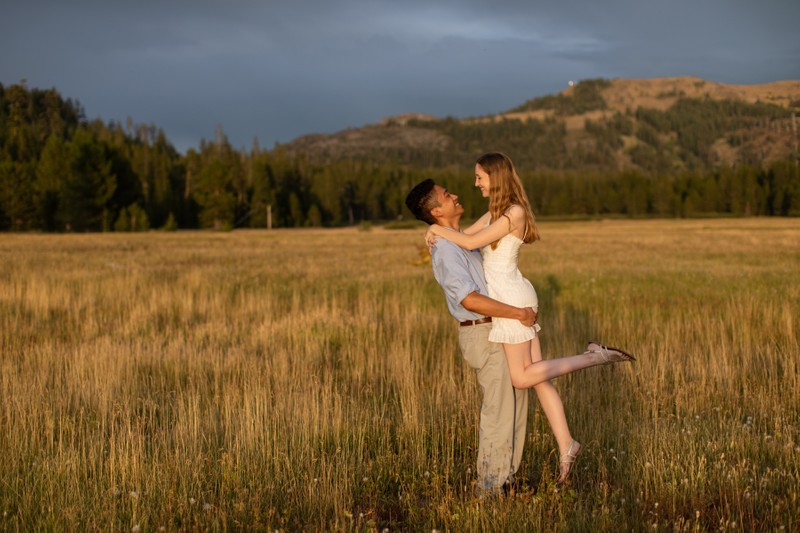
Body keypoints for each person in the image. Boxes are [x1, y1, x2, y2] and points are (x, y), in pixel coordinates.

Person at [418, 153, 635, 485]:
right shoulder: (493, 214)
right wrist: (436, 231)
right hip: (512, 297)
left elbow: (472, 241)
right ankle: (567, 445)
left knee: (521, 379)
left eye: (480, 177)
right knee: (537, 378)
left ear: (495, 176)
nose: (474, 183)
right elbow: (465, 236)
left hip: (512, 300)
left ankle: (594, 357)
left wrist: (434, 228)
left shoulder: (512, 212)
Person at [405, 179, 537, 497]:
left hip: (498, 328)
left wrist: (436, 229)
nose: (455, 195)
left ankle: (507, 480)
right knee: (499, 409)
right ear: (437, 210)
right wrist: (518, 313)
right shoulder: (447, 252)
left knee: (516, 403)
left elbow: (495, 219)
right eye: (447, 195)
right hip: (482, 330)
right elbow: (470, 299)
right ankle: (491, 488)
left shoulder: (460, 240)